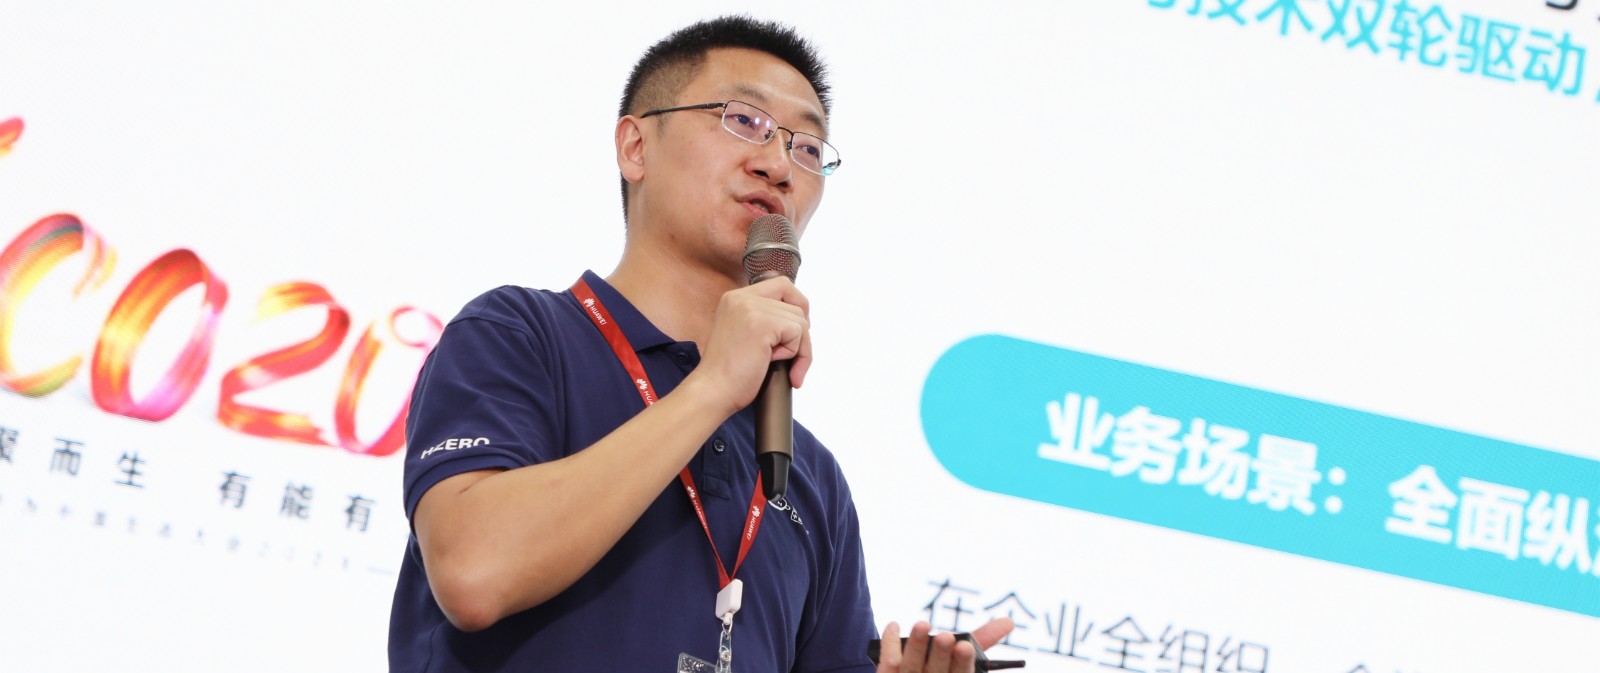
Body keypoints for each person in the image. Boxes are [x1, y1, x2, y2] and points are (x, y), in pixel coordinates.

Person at [387, 16, 1011, 672]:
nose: (777, 164)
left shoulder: (809, 475)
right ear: (636, 147)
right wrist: (712, 387)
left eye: (806, 149)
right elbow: (474, 573)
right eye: (744, 120)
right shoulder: (520, 335)